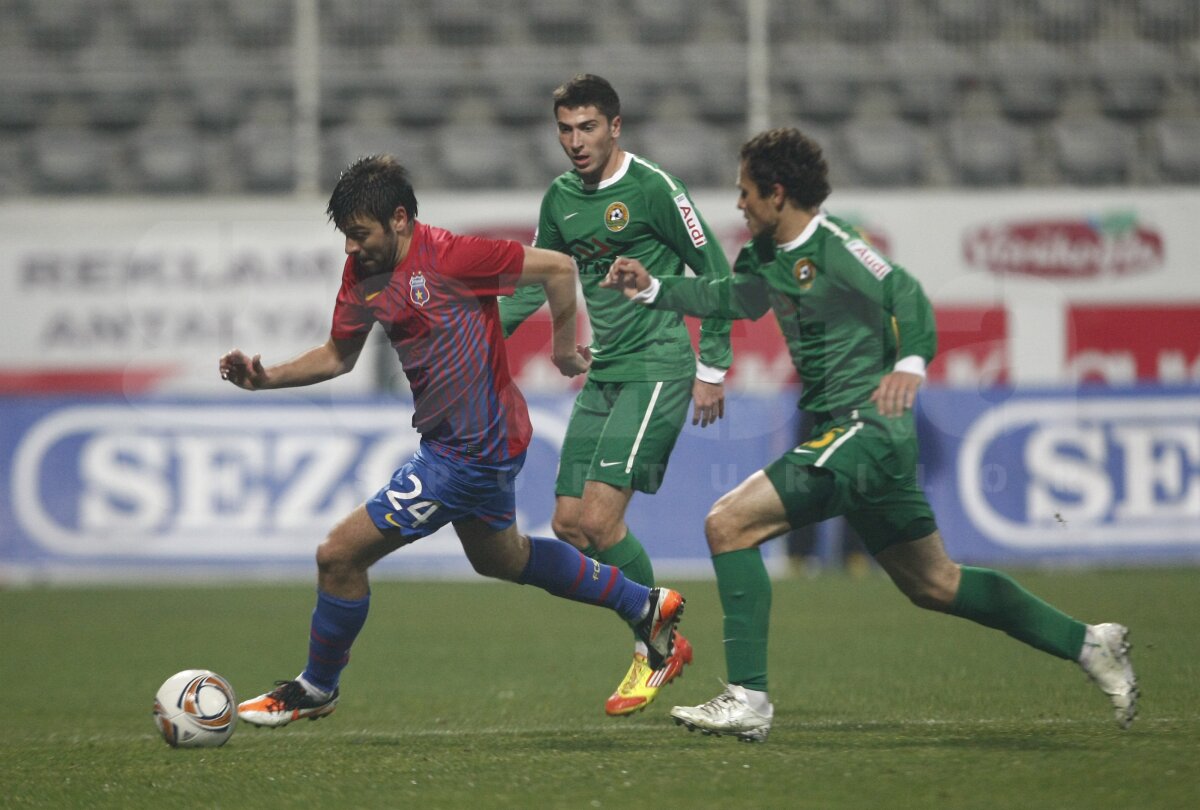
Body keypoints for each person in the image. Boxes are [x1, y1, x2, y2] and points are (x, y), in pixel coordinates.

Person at [601, 127, 1138, 742]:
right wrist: (653, 289)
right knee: (935, 583)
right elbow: (737, 298)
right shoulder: (766, 256)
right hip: (851, 438)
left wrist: (911, 362)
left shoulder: (835, 247)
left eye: (746, 192)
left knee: (728, 522)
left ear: (777, 194)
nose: (740, 204)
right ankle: (1091, 643)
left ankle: (747, 698)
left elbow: (904, 293)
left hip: (868, 429)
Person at [220, 154, 685, 728]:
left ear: (397, 219)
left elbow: (561, 268)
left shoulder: (454, 256)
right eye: (344, 237)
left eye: (358, 235)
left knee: (338, 556)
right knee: (504, 558)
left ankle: (318, 686)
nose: (349, 249)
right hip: (471, 444)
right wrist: (265, 379)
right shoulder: (362, 273)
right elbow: (338, 355)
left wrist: (564, 347)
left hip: (470, 451)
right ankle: (645, 604)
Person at [499, 74, 734, 717]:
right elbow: (538, 280)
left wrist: (712, 366)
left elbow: (714, 268)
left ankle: (654, 645)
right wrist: (479, 337)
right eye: (565, 130)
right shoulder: (561, 198)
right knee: (570, 525)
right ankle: (659, 632)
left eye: (588, 128)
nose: (575, 142)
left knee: (601, 521)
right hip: (604, 371)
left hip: (658, 365)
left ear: (616, 126)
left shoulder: (654, 188)